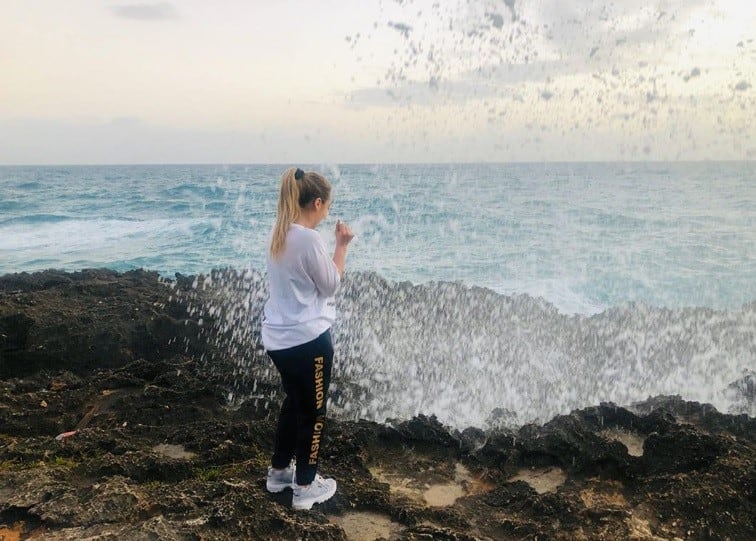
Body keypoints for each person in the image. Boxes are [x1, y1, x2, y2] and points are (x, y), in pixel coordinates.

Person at [262, 166, 354, 511]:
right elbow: (331, 284)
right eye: (327, 206)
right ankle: (304, 487)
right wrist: (341, 246)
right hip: (308, 340)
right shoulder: (307, 237)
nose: (327, 212)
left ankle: (279, 472)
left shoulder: (280, 230)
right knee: (314, 413)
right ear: (317, 202)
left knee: (294, 402)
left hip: (279, 339)